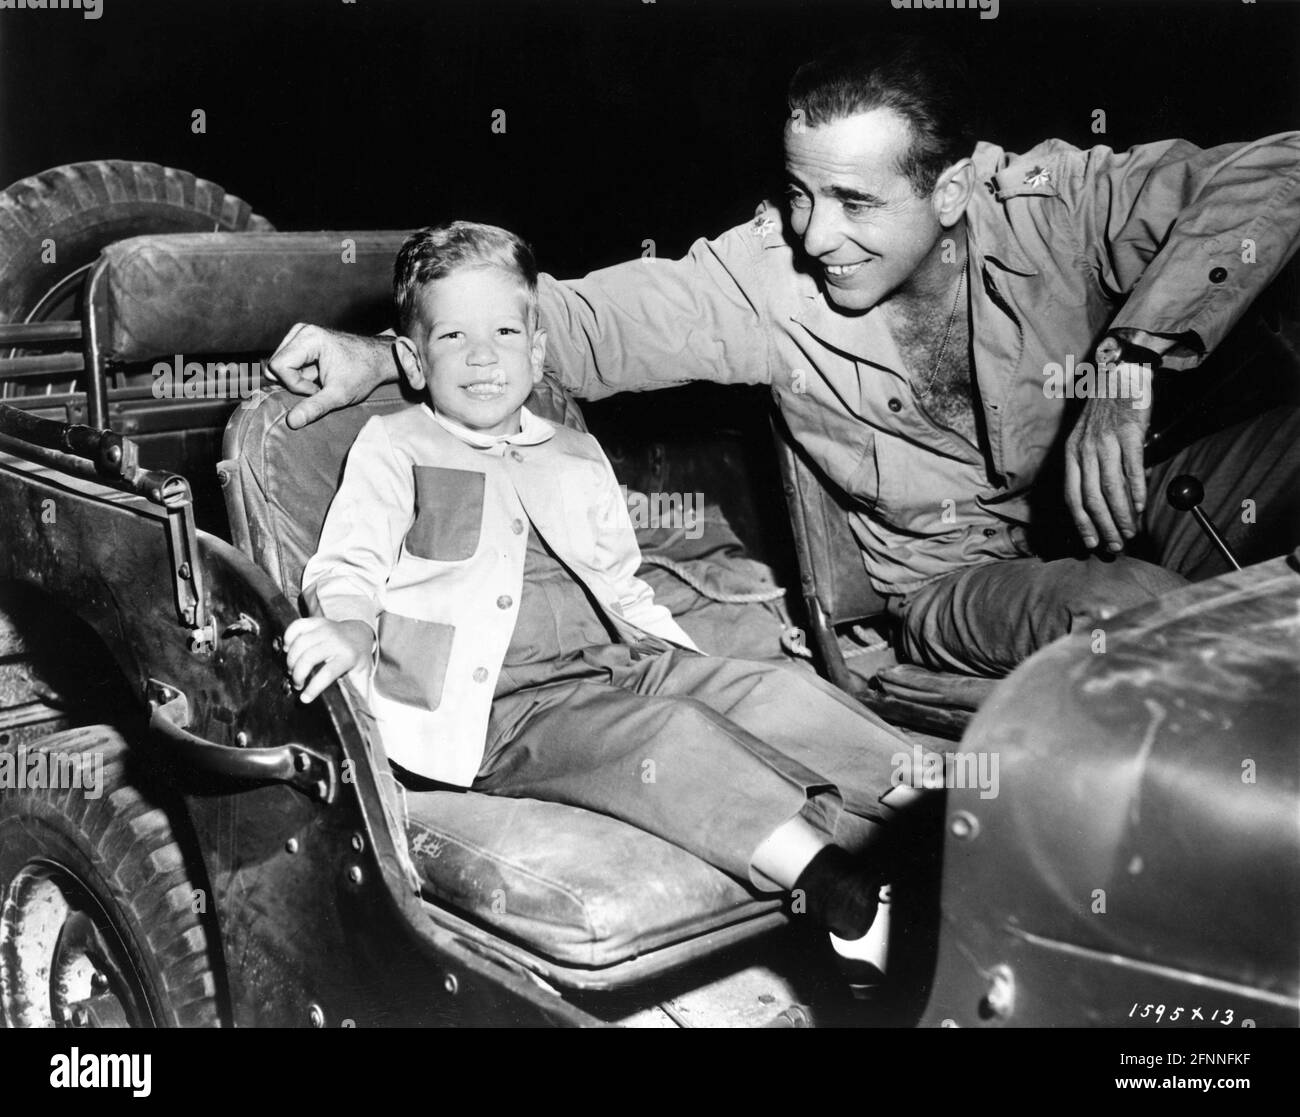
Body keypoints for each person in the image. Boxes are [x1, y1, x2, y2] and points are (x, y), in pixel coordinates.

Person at [268, 35, 1300, 679]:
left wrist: (1130, 363)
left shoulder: (1051, 208)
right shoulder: (764, 282)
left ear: (949, 194)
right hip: (958, 585)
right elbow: (575, 327)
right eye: (802, 194)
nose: (814, 234)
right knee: (1140, 620)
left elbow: (1275, 172)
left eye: (856, 203)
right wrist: (380, 354)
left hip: (1135, 502)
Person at [283, 221, 921, 950]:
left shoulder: (575, 452)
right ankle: (839, 892)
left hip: (621, 662)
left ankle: (938, 813)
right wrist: (350, 627)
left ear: (538, 346)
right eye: (453, 337)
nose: (484, 355)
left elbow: (622, 583)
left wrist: (693, 670)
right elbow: (347, 563)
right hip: (503, 706)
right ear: (412, 359)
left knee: (771, 691)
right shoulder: (397, 445)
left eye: (503, 331)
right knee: (669, 737)